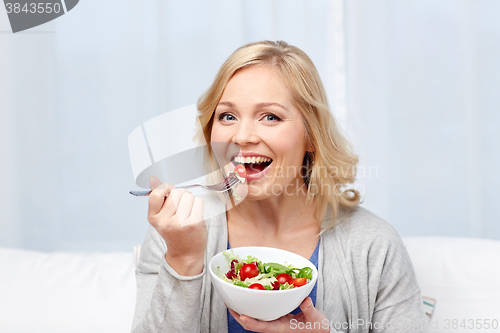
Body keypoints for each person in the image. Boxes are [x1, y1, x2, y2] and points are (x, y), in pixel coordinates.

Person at [131, 40, 429, 333]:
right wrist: (184, 260)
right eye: (227, 116)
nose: (243, 135)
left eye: (270, 116)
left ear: (312, 136)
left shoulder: (373, 245)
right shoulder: (176, 234)